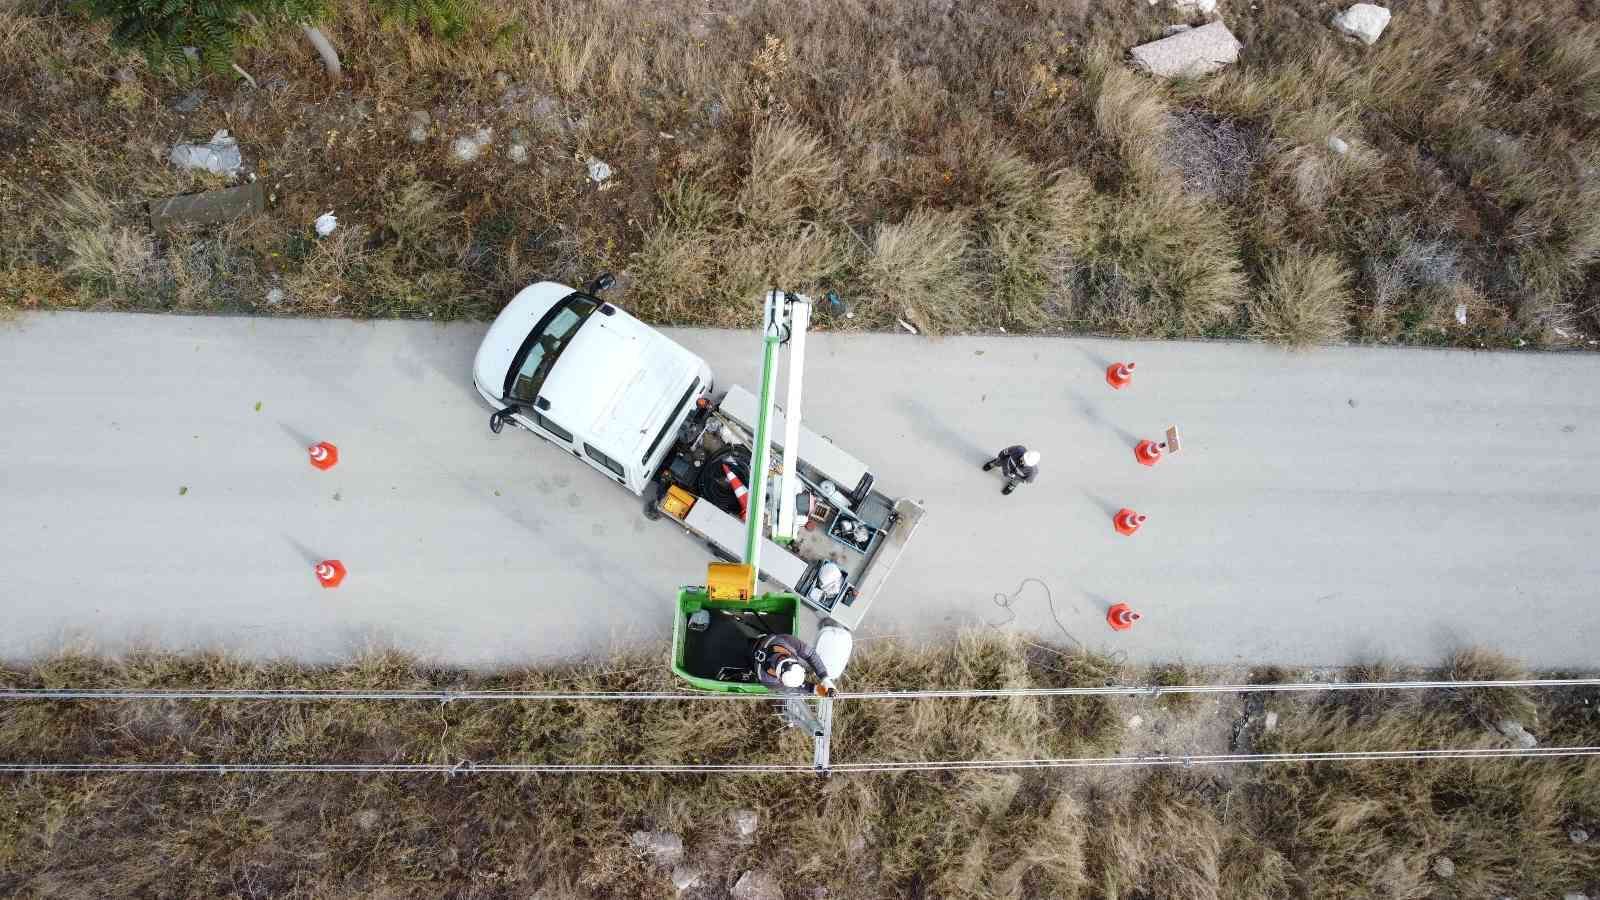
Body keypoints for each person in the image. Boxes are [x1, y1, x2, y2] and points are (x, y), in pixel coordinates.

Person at [751, 632, 831, 695]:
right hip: (752, 661)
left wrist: (825, 678)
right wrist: (819, 686)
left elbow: (811, 654)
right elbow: (792, 688)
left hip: (762, 640)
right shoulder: (770, 681)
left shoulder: (786, 641)